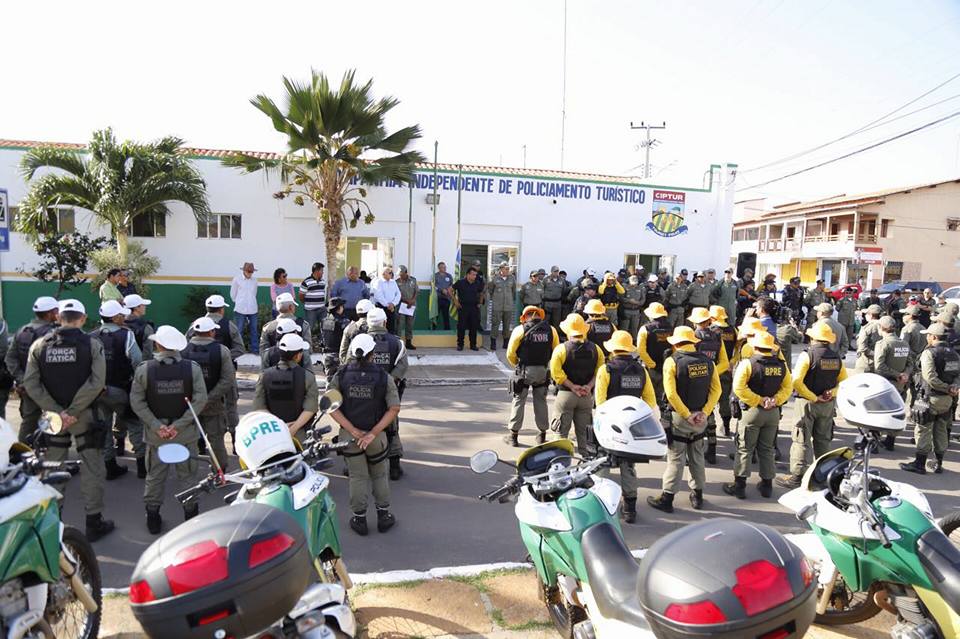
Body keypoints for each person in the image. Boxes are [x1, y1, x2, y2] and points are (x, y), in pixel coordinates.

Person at [23, 299, 114, 541]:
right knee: (92, 468)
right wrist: (73, 410)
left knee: (52, 467)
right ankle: (94, 523)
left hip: (53, 419)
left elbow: (31, 383)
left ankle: (53, 523)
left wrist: (57, 411)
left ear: (58, 317)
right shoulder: (93, 344)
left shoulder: (39, 345)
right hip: (85, 416)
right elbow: (97, 382)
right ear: (82, 318)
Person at [131, 325, 207, 534]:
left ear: (157, 344)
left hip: (157, 437)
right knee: (188, 477)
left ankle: (152, 519)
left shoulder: (144, 369)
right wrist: (179, 425)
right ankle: (191, 521)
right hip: (185, 434)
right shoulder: (192, 368)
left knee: (155, 477)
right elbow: (200, 400)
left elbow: (136, 402)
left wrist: (157, 426)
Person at [329, 333, 401, 536]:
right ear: (373, 353)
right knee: (379, 475)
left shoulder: (341, 375)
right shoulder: (383, 376)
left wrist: (352, 431)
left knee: (357, 477)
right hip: (376, 438)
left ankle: (359, 520)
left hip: (349, 438)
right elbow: (394, 408)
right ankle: (383, 517)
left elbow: (331, 407)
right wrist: (372, 434)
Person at [647, 326, 721, 513]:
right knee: (697, 456)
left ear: (676, 343)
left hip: (680, 418)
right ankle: (697, 495)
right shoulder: (708, 363)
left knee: (676, 458)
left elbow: (671, 394)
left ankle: (667, 498)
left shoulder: (672, 362)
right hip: (700, 419)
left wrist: (687, 414)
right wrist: (704, 412)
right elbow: (716, 390)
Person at [776, 322, 847, 489]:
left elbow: (796, 381)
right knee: (823, 440)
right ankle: (822, 475)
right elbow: (844, 381)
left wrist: (813, 397)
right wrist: (832, 392)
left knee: (801, 440)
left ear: (813, 337)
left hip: (807, 404)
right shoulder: (836, 357)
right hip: (828, 404)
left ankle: (797, 475)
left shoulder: (807, 355)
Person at [595, 330, 655, 524]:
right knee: (628, 465)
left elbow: (600, 401)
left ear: (613, 350)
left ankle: (599, 505)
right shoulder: (641, 370)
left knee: (603, 462)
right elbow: (650, 400)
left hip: (611, 423)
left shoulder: (606, 370)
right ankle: (630, 508)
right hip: (631, 424)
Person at [724, 330, 792, 500]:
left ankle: (739, 486)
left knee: (745, 448)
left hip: (752, 412)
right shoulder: (781, 365)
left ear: (755, 347)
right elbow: (788, 388)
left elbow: (739, 388)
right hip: (773, 413)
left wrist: (759, 400)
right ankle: (767, 485)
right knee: (767, 449)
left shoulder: (748, 364)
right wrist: (774, 401)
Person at [350, 308, 408, 480]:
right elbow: (402, 366)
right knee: (391, 426)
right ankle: (394, 466)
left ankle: (354, 465)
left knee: (359, 425)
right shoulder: (397, 342)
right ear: (385, 322)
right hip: (390, 393)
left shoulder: (359, 341)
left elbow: (349, 364)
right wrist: (388, 382)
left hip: (361, 392)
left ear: (368, 323)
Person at [900, 323, 959, 475]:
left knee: (923, 430)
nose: (926, 337)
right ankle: (938, 463)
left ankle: (919, 464)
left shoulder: (929, 353)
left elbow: (930, 377)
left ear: (933, 337)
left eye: (928, 335)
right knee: (941, 429)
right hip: (947, 399)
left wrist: (946, 387)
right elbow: (958, 375)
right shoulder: (954, 354)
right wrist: (953, 387)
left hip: (930, 397)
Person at [92, 300, 142, 480]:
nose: (124, 317)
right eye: (121, 314)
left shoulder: (92, 336)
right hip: (122, 389)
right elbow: (137, 360)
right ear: (114, 317)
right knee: (135, 424)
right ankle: (142, 466)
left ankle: (110, 466)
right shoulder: (126, 335)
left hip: (97, 391)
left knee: (103, 428)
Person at [182, 316, 237, 468]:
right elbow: (228, 380)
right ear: (212, 332)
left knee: (190, 440)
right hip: (214, 404)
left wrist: (196, 400)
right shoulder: (222, 350)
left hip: (190, 405)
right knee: (216, 440)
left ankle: (189, 472)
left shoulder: (183, 350)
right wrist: (208, 398)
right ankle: (219, 472)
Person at [192, 294, 245, 450]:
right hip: (225, 374)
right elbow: (240, 349)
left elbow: (187, 346)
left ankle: (200, 442)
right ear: (221, 309)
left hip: (200, 375)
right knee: (230, 407)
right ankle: (235, 442)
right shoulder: (229, 325)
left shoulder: (196, 325)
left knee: (200, 406)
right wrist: (224, 358)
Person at [550, 313, 604, 456]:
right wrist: (589, 386)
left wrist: (572, 386)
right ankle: (586, 465)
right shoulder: (596, 349)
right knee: (585, 436)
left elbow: (556, 373)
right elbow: (601, 372)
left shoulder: (562, 349)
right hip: (586, 397)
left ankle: (561, 466)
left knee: (560, 434)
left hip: (566, 395)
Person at [504, 306, 559, 447]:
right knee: (541, 401)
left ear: (525, 316)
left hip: (524, 371)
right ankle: (542, 435)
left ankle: (513, 436)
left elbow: (510, 353)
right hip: (542, 371)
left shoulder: (520, 330)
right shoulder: (551, 330)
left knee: (518, 400)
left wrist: (517, 364)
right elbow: (556, 351)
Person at [7, 297, 59, 442]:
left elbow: (10, 359)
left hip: (28, 387)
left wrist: (22, 380)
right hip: (48, 388)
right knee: (53, 418)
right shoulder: (53, 334)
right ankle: (51, 452)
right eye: (56, 311)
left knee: (29, 420)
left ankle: (21, 455)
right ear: (50, 313)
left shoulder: (22, 330)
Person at [252, 333, 318, 440]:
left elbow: (258, 407)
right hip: (299, 435)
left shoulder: (264, 376)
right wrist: (293, 428)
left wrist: (279, 426)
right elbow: (311, 408)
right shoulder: (308, 376)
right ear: (298, 356)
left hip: (272, 434)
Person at [689, 307, 729, 465]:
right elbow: (724, 362)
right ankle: (712, 448)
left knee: (692, 416)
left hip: (694, 380)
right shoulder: (717, 337)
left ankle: (692, 450)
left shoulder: (692, 337)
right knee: (709, 413)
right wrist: (711, 373)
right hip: (712, 381)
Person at [873, 316, 912, 451]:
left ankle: (874, 444)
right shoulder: (903, 343)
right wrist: (904, 374)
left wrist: (897, 375)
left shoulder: (883, 344)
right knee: (896, 412)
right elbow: (910, 363)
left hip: (886, 383)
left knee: (877, 412)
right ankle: (890, 441)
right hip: (900, 384)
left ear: (881, 328)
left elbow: (879, 366)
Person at [637, 301, 672, 414]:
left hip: (651, 368)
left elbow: (641, 350)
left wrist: (652, 364)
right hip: (666, 367)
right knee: (662, 396)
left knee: (649, 397)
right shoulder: (670, 328)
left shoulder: (645, 329)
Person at [710, 305, 738, 437]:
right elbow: (738, 349)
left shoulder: (709, 331)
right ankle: (726, 427)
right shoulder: (733, 330)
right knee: (724, 398)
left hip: (711, 369)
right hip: (727, 369)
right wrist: (731, 362)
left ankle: (709, 428)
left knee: (708, 398)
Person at [259, 292, 311, 357]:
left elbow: (263, 353)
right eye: (294, 305)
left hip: (274, 366)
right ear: (291, 307)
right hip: (298, 365)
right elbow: (308, 350)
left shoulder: (268, 327)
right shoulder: (304, 325)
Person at [901, 305, 927, 409]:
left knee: (903, 389)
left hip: (908, 363)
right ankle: (914, 411)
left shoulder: (907, 329)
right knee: (916, 390)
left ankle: (901, 411)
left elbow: (903, 347)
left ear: (910, 316)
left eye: (905, 314)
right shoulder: (923, 328)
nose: (903, 317)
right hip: (920, 363)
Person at [231, 262, 260, 353]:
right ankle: (238, 351)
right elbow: (233, 294)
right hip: (240, 309)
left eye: (251, 272)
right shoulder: (237, 279)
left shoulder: (255, 280)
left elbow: (254, 293)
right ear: (244, 270)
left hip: (253, 308)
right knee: (239, 331)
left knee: (254, 331)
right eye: (248, 271)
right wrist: (239, 302)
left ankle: (255, 351)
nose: (250, 273)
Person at [453, 266, 484, 351]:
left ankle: (473, 345)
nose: (475, 276)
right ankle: (460, 345)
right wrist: (455, 301)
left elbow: (482, 292)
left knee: (474, 327)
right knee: (461, 327)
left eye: (475, 275)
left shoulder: (477, 283)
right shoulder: (460, 282)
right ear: (468, 275)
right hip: (463, 307)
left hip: (474, 308)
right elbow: (450, 290)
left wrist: (480, 303)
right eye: (473, 275)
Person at [487, 262, 517, 351]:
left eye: (508, 268)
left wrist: (510, 301)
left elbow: (513, 291)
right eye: (506, 268)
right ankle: (493, 343)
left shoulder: (512, 278)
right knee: (495, 324)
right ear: (501, 269)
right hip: (497, 306)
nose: (508, 270)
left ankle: (506, 343)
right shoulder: (494, 278)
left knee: (507, 325)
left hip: (508, 306)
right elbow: (490, 290)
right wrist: (496, 299)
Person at [321, 298, 351, 378]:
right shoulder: (344, 321)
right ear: (340, 308)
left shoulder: (324, 320)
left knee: (329, 380)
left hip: (326, 355)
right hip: (338, 355)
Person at [299, 262, 327, 336]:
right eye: (321, 270)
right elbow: (301, 296)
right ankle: (306, 343)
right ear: (316, 271)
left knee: (325, 327)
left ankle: (323, 344)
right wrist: (308, 304)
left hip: (322, 309)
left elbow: (322, 293)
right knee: (309, 328)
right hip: (310, 310)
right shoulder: (306, 282)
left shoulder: (323, 282)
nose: (323, 272)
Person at [371, 266, 401, 334]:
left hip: (392, 308)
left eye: (391, 272)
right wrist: (388, 305)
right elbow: (379, 296)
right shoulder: (378, 282)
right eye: (390, 272)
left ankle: (391, 343)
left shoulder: (393, 282)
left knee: (391, 327)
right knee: (381, 327)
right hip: (382, 308)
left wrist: (393, 304)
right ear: (383, 274)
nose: (391, 274)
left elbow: (398, 294)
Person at [123, 294, 155, 359]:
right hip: (139, 366)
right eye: (143, 305)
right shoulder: (146, 327)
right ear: (136, 308)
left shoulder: (118, 325)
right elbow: (147, 354)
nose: (145, 306)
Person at [855, 304, 884, 373]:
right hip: (881, 362)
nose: (865, 316)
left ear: (870, 315)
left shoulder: (867, 328)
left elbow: (862, 347)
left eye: (866, 314)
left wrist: (876, 354)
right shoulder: (885, 326)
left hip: (867, 362)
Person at [396, 265, 419, 350]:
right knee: (399, 325)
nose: (400, 276)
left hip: (411, 306)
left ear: (406, 273)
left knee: (410, 324)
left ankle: (408, 343)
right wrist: (406, 301)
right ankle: (398, 344)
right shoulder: (396, 282)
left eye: (401, 274)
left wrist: (412, 300)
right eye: (399, 274)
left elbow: (417, 291)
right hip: (401, 306)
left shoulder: (413, 280)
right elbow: (397, 294)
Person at [542, 266, 566, 331]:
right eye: (555, 271)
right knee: (546, 320)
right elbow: (542, 290)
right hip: (548, 304)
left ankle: (556, 335)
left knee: (557, 320)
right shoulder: (546, 280)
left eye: (557, 271)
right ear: (551, 272)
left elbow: (564, 291)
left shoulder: (562, 280)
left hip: (557, 304)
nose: (556, 273)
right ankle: (545, 332)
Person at [433, 262, 455, 330]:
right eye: (442, 267)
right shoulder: (435, 276)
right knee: (435, 315)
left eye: (445, 267)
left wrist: (449, 290)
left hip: (447, 299)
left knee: (446, 315)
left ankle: (447, 329)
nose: (444, 268)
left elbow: (452, 285)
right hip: (437, 299)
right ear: (439, 268)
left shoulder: (449, 276)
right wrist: (441, 290)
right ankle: (433, 329)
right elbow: (434, 286)